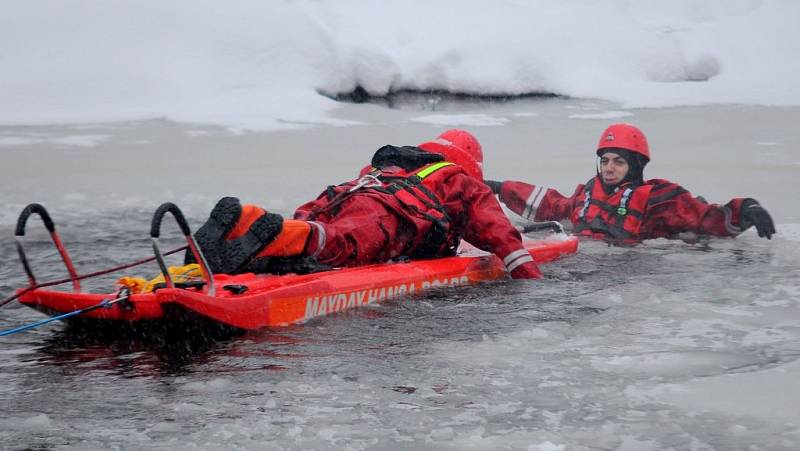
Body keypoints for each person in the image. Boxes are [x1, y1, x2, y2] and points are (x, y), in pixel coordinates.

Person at [188, 129, 543, 279]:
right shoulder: (458, 178)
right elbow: (495, 228)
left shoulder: (397, 164)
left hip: (342, 195)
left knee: (313, 233)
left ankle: (244, 226)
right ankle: (274, 232)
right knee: (339, 242)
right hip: (388, 214)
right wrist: (528, 275)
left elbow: (359, 195)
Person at [486, 123, 775, 244]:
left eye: (619, 162)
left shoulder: (661, 198)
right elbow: (551, 205)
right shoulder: (587, 193)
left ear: (635, 166)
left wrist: (747, 208)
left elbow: (708, 219)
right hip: (581, 262)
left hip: (627, 273)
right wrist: (499, 188)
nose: (609, 169)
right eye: (605, 161)